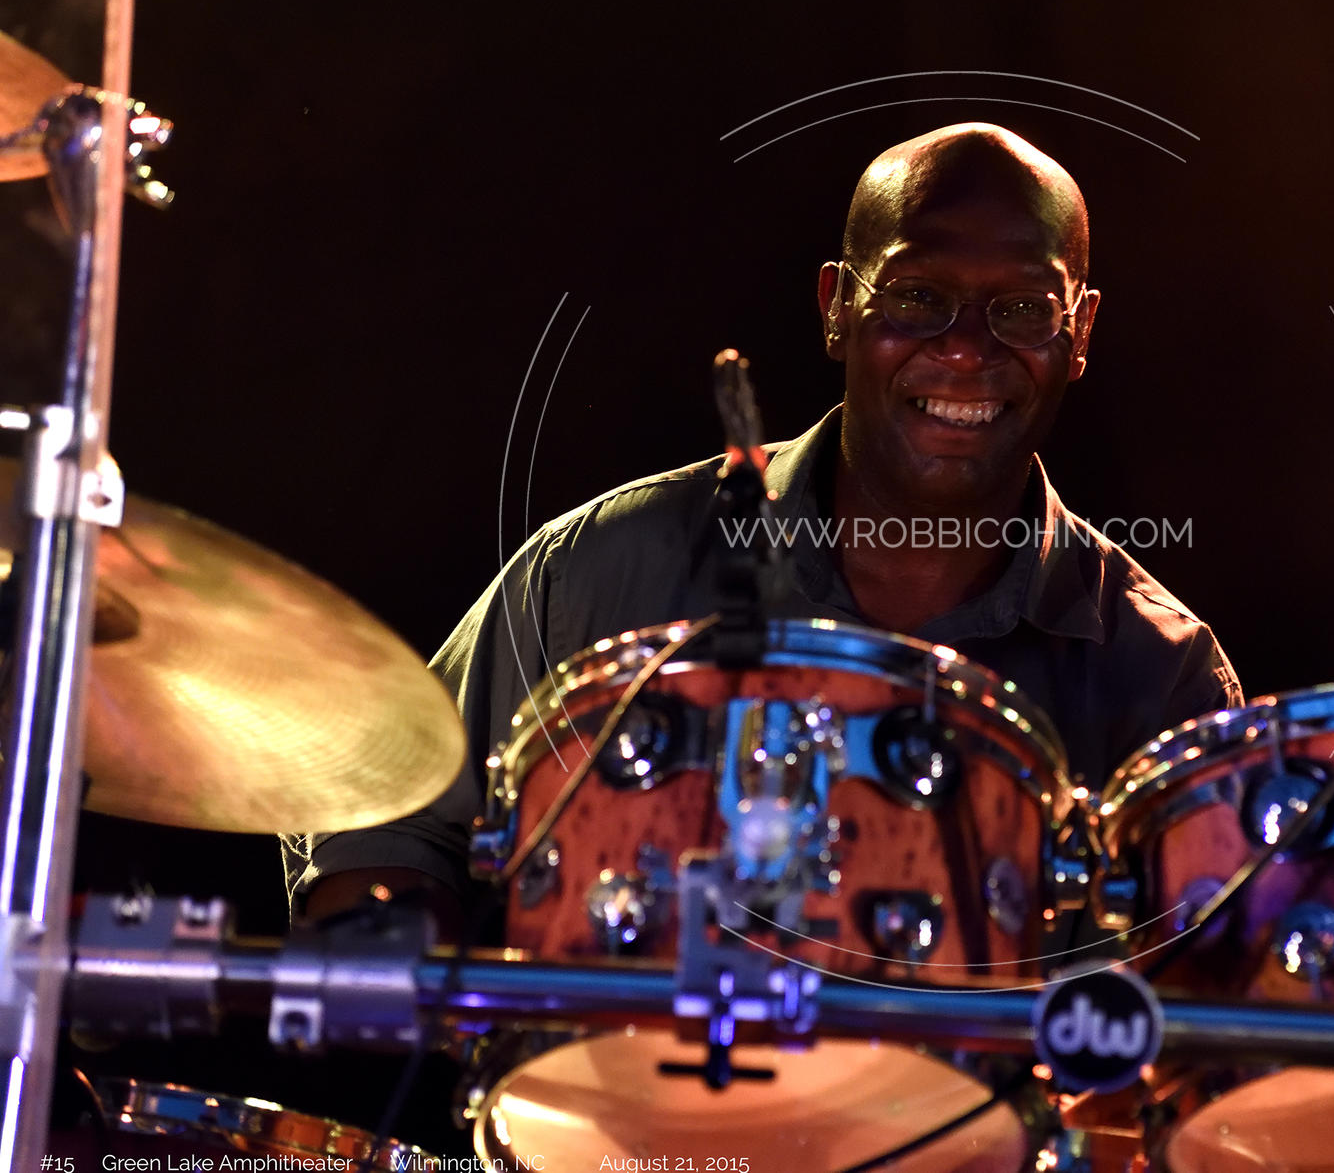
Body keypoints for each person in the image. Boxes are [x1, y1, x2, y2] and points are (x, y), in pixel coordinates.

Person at [283, 122, 1241, 928]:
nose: (963, 347)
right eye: (917, 296)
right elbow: (382, 824)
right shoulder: (600, 574)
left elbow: (1206, 1015)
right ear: (837, 308)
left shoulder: (1163, 677)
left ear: (1081, 331)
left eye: (1023, 308)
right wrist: (400, 953)